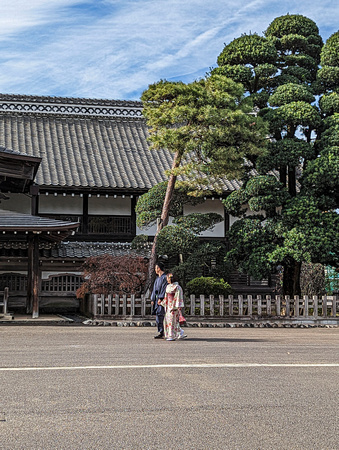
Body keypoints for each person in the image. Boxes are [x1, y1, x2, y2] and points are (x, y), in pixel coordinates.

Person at [160, 273, 187, 341]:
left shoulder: (177, 287)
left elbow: (178, 297)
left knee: (172, 321)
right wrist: (163, 302)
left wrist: (176, 306)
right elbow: (166, 296)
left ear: (170, 278)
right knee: (170, 321)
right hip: (168, 305)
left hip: (174, 306)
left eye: (167, 278)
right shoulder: (168, 286)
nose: (167, 280)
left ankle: (171, 335)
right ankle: (179, 332)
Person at [150, 261, 167, 339]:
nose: (155, 270)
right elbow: (154, 289)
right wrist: (153, 299)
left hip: (162, 300)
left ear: (158, 268)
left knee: (161, 314)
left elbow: (164, 289)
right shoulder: (157, 279)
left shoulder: (164, 278)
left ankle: (164, 332)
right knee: (158, 315)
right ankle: (161, 331)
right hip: (157, 299)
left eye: (156, 268)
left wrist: (161, 298)